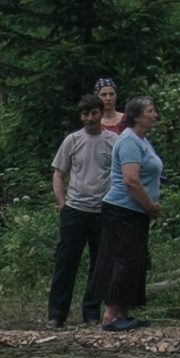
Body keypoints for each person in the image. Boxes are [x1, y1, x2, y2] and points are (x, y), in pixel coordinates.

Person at [43, 92, 119, 326]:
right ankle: (56, 315)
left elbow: (119, 175)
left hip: (102, 211)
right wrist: (62, 205)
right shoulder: (72, 140)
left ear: (100, 113)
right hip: (75, 210)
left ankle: (92, 313)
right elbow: (58, 174)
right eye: (85, 114)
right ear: (81, 116)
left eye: (93, 112)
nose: (89, 118)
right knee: (66, 263)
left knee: (99, 265)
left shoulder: (112, 141)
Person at [98, 95, 168, 329]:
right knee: (125, 260)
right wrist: (149, 206)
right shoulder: (128, 140)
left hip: (134, 211)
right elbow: (131, 180)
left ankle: (124, 312)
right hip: (122, 209)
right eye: (150, 110)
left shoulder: (142, 140)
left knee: (136, 260)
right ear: (137, 116)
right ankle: (110, 316)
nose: (155, 114)